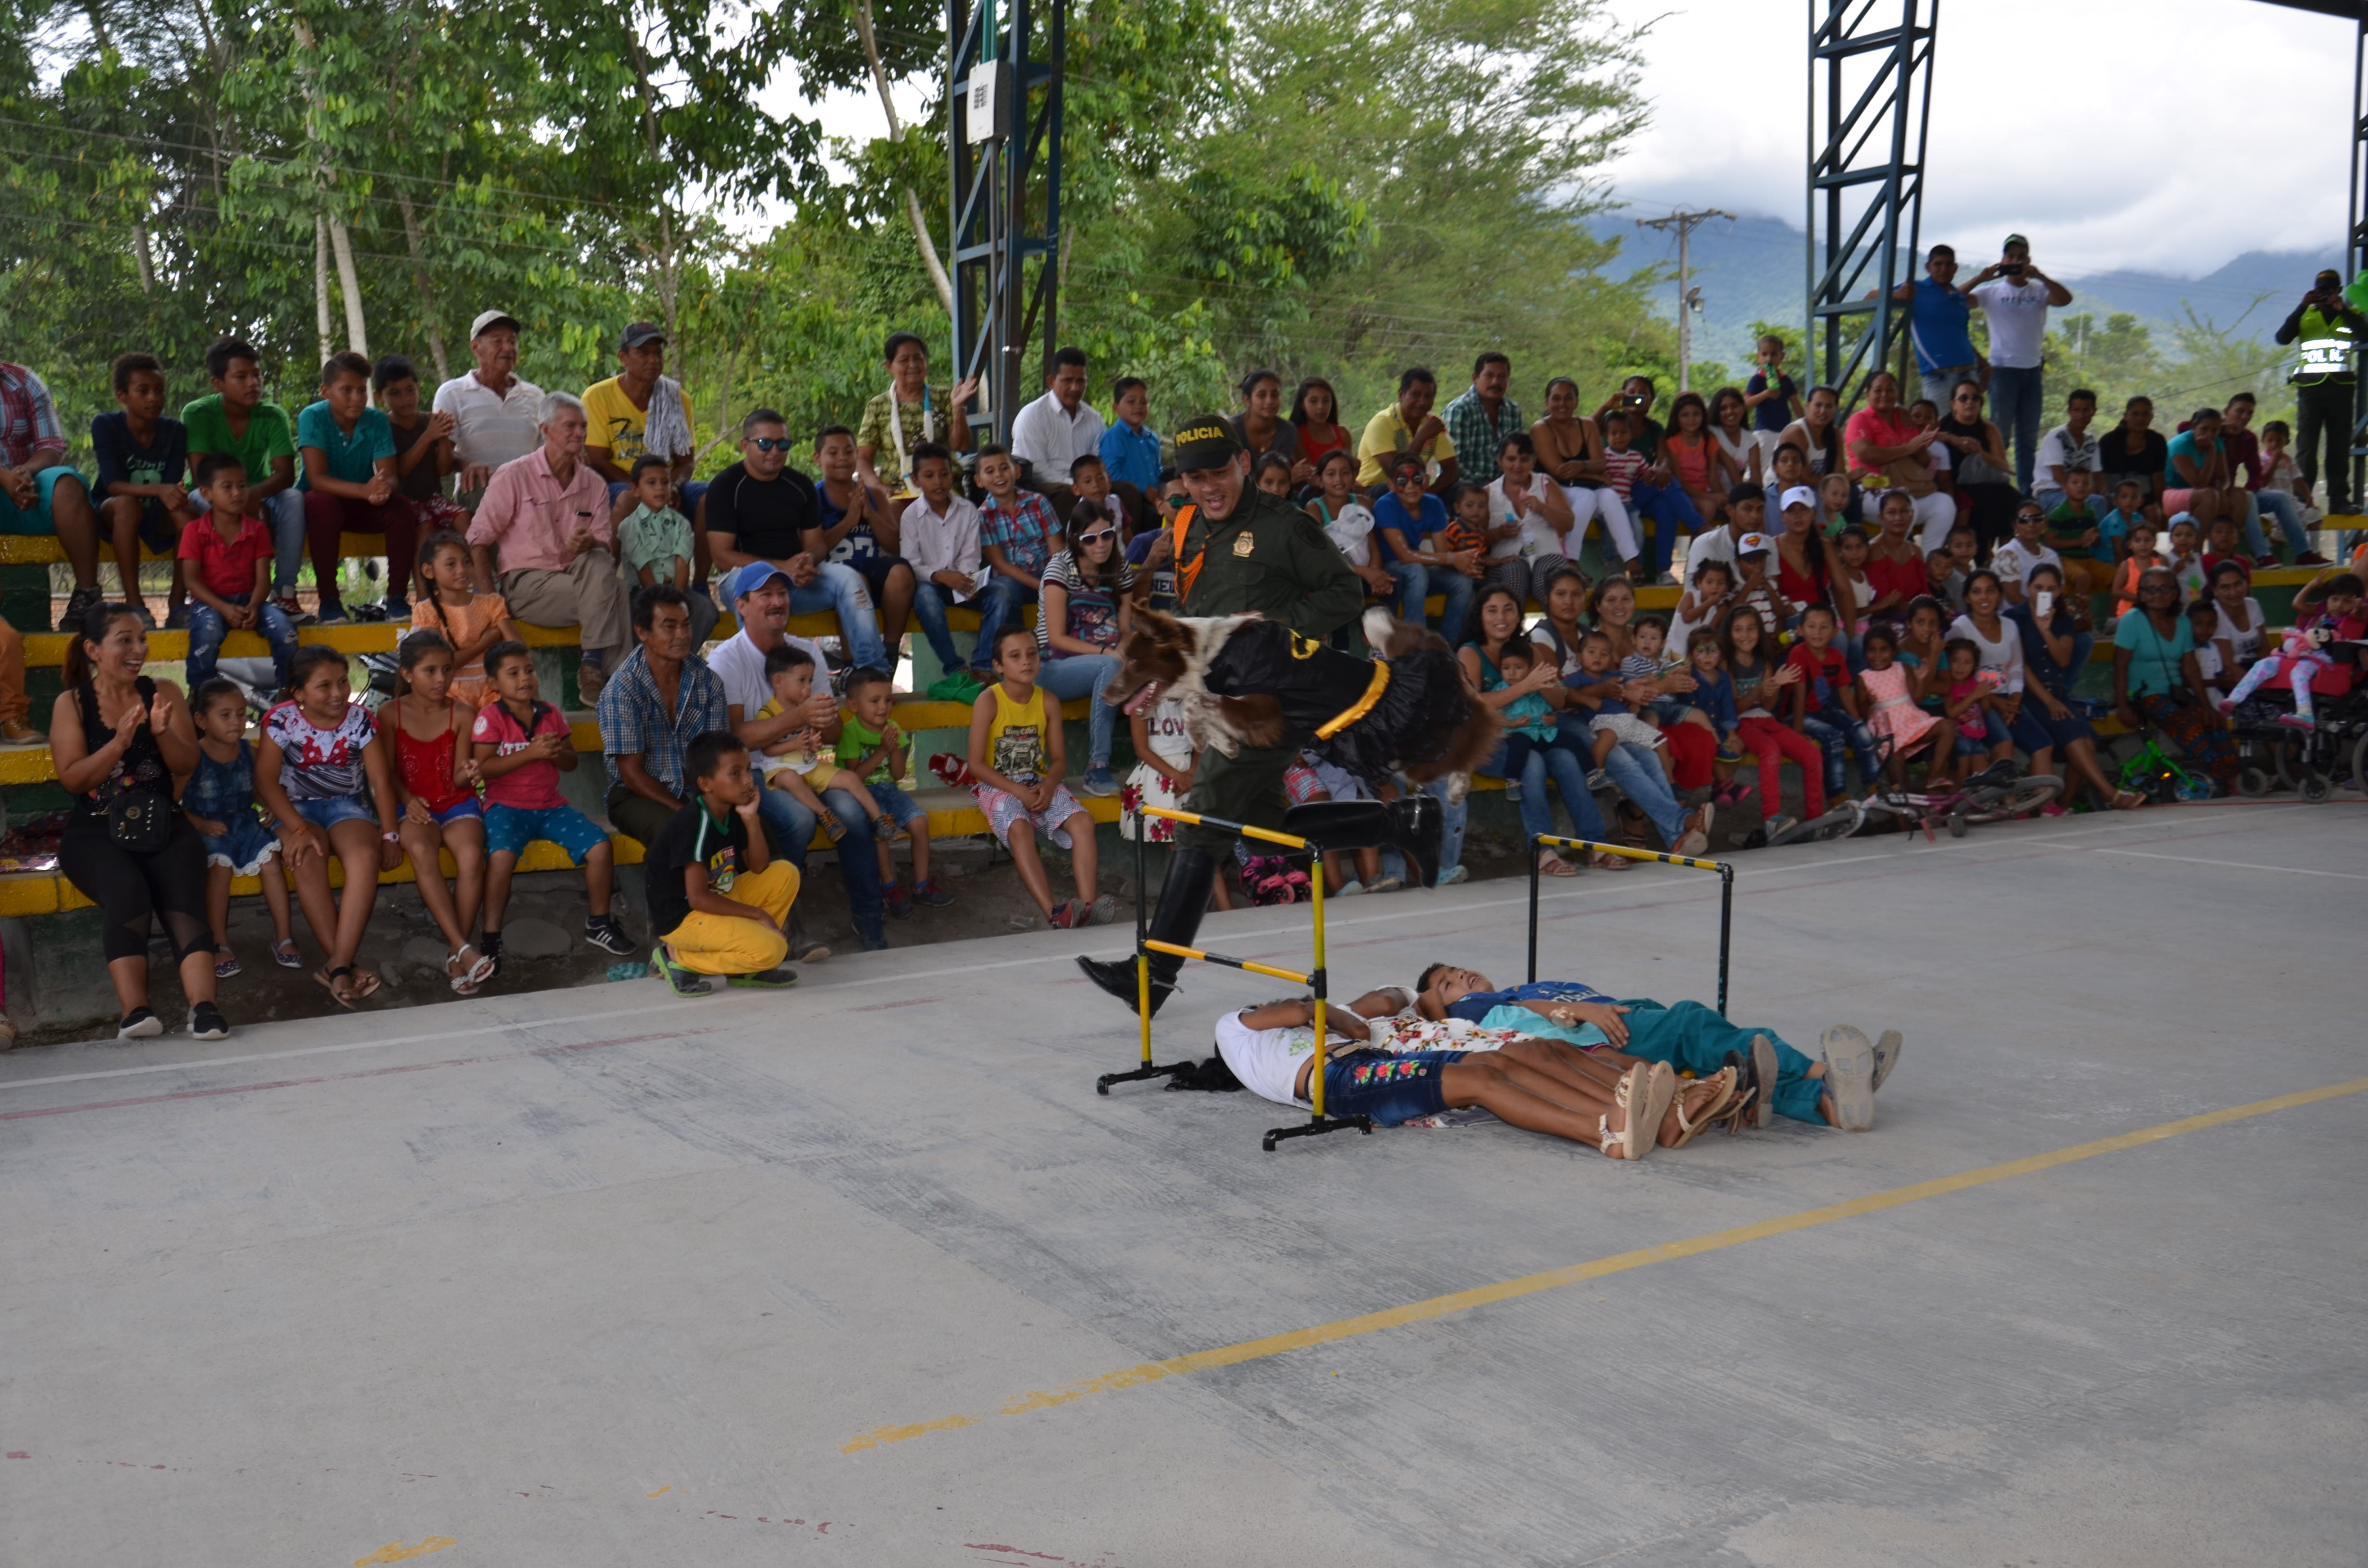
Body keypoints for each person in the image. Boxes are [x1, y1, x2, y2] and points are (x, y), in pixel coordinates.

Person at [1074, 414, 1363, 1015]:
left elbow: (1344, 594)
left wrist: (1272, 637)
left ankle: (1151, 976)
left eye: (1219, 473)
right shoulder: (1188, 527)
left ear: (1245, 465)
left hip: (1265, 701)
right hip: (1212, 699)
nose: (1208, 487)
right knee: (1261, 819)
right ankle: (1389, 824)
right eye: (1194, 478)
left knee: (1201, 818)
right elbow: (1197, 612)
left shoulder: (1285, 527)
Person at [1414, 965, 1899, 1133]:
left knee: (1727, 1058)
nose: (1460, 980)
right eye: (1448, 983)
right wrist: (1578, 1012)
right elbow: (1421, 1002)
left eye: (1458, 971)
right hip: (1606, 1037)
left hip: (1623, 1018)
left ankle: (1827, 1104)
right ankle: (1822, 1073)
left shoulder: (1522, 986)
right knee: (1693, 1022)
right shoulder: (1479, 1007)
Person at [1211, 988, 1683, 1157]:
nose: (1267, 1004)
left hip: (1365, 1063)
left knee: (1493, 1063)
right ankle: (1603, 1132)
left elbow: (1366, 1015)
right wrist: (1319, 1011)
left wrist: (1331, 1015)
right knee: (1481, 1082)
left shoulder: (1283, 1041)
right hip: (1340, 1083)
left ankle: (1618, 1111)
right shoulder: (1231, 1027)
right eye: (1261, 1004)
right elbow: (1298, 1008)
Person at [48, 603, 226, 1039]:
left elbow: (186, 765)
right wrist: (119, 743)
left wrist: (162, 732)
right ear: (93, 649)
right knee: (128, 891)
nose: (138, 649)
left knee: (183, 894)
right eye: (124, 641)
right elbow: (73, 779)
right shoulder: (71, 703)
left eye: (142, 639)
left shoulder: (163, 691)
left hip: (163, 824)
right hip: (95, 830)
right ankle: (136, 1012)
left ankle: (204, 1008)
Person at [709, 560, 884, 954]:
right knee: (799, 819)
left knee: (854, 813)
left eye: (783, 593)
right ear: (742, 605)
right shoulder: (726, 659)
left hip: (805, 764)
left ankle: (870, 916)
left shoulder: (808, 652)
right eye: (766, 595)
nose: (777, 602)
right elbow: (734, 737)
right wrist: (800, 716)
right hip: (753, 771)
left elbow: (834, 734)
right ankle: (779, 916)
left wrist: (826, 720)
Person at [254, 644, 404, 1007]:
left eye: (343, 682)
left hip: (345, 806)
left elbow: (380, 783)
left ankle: (336, 966)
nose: (338, 693)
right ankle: (344, 968)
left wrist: (390, 835)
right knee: (306, 855)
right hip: (294, 810)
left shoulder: (361, 720)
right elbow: (266, 781)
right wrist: (298, 829)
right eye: (325, 686)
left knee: (366, 858)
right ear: (299, 693)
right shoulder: (279, 721)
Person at [469, 639, 631, 969]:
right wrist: (528, 754)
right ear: (494, 684)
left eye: (529, 671)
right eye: (513, 673)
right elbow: (483, 768)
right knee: (500, 859)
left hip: (551, 806)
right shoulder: (491, 718)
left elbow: (570, 762)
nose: (525, 678)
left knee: (600, 846)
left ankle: (598, 924)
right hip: (505, 807)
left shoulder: (550, 714)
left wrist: (557, 753)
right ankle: (491, 938)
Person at [465, 391, 632, 704]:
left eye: (583, 427)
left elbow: (606, 549)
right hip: (528, 585)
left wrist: (590, 541)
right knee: (617, 591)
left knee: (600, 561)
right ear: (545, 430)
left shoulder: (593, 483)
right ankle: (614, 677)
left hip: (578, 577)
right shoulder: (515, 475)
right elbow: (477, 541)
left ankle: (596, 669)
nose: (580, 434)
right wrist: (491, 606)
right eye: (570, 426)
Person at [702, 407, 888, 672]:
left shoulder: (799, 485)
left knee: (851, 581)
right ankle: (761, 676)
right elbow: (722, 556)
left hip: (797, 581)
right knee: (756, 594)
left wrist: (806, 562)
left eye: (783, 444)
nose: (775, 452)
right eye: (765, 444)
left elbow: (816, 545)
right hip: (741, 580)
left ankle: (872, 673)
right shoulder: (726, 485)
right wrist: (781, 568)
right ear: (745, 445)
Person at [965, 626, 1111, 929]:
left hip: (1038, 782)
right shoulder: (988, 701)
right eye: (1015, 656)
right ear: (998, 666)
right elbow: (976, 766)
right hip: (997, 784)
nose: (1026, 662)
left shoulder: (1048, 701)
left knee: (1083, 822)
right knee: (1019, 828)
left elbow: (1058, 761)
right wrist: (1018, 792)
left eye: (1032, 654)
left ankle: (1086, 908)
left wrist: (1048, 784)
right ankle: (1055, 913)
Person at [1463, 587, 1611, 876]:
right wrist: (1527, 685)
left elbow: (1558, 699)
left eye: (1508, 609)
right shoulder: (1470, 653)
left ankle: (1596, 844)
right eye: (1492, 610)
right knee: (1532, 763)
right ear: (1479, 616)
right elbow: (1477, 706)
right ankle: (1544, 850)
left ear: (1519, 615)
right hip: (1488, 744)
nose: (1501, 617)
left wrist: (1549, 692)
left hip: (1534, 735)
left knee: (1568, 760)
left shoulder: (1531, 650)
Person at [379, 630, 496, 993]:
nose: (441, 679)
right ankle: (463, 947)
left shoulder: (461, 713)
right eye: (430, 671)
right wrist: (407, 798)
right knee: (422, 850)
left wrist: (472, 771)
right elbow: (386, 772)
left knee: (472, 854)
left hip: (456, 802)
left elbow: (461, 778)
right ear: (407, 674)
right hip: (413, 806)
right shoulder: (388, 714)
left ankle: (455, 951)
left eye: (447, 670)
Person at [643, 731, 802, 996]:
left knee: (784, 873)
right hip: (684, 918)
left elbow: (759, 867)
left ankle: (746, 968)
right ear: (706, 784)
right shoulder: (694, 823)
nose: (748, 780)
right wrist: (758, 915)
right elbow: (697, 899)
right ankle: (678, 959)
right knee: (773, 950)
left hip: (718, 897)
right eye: (735, 773)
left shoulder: (732, 810)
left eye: (749, 770)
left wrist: (751, 818)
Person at [181, 338, 305, 632]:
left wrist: (254, 494)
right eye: (241, 377)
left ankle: (285, 592)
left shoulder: (272, 414)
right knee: (201, 501)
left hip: (260, 491)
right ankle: (210, 595)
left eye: (257, 375)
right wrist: (241, 498)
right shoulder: (197, 413)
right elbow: (200, 476)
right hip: (208, 493)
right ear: (217, 383)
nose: (253, 383)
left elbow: (285, 474)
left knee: (293, 499)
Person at [182, 676, 298, 979]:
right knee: (219, 869)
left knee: (272, 862)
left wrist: (269, 806)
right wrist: (200, 823)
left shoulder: (251, 751)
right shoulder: (193, 756)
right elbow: (174, 801)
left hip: (246, 824)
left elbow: (260, 790)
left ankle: (283, 937)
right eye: (225, 715)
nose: (236, 722)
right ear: (201, 720)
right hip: (208, 829)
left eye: (242, 714)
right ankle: (219, 942)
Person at [597, 582, 727, 852]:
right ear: (643, 632)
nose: (682, 635)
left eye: (686, 625)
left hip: (697, 788)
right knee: (677, 833)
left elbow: (716, 757)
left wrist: (713, 803)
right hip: (637, 795)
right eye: (669, 626)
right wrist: (685, 811)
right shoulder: (623, 688)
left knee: (753, 826)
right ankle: (672, 896)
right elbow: (631, 775)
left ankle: (745, 893)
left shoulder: (707, 681)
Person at [2005, 563, 2140, 808]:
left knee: (2087, 742)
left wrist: (2046, 631)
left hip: (2057, 691)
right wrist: (2049, 701)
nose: (2043, 593)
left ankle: (2064, 807)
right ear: (2028, 588)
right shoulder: (2014, 619)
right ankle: (2112, 796)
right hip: (2029, 694)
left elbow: (2064, 659)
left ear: (2059, 592)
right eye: (2038, 587)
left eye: (2051, 589)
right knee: (2079, 740)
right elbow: (2020, 666)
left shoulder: (2063, 619)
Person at [751, 642, 899, 845]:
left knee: (850, 779)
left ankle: (880, 821)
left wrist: (813, 743)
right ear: (778, 682)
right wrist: (794, 745)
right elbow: (767, 750)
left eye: (810, 681)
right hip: (780, 769)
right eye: (802, 681)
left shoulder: (807, 708)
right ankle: (826, 816)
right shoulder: (768, 713)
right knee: (792, 779)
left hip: (809, 766)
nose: (808, 687)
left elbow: (813, 740)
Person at [295, 351, 403, 625]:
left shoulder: (376, 420)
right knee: (323, 503)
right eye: (347, 390)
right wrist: (365, 491)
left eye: (361, 390)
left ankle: (397, 599)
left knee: (402, 508)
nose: (356, 398)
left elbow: (389, 475)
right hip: (321, 504)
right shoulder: (313, 417)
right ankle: (330, 602)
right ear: (325, 391)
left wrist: (384, 488)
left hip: (361, 504)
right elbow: (317, 478)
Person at [1034, 499, 1133, 796]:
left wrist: (1124, 652)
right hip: (1053, 666)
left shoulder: (1121, 568)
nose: (1100, 544)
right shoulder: (1061, 566)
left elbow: (1126, 629)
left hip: (1107, 661)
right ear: (1077, 539)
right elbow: (1055, 638)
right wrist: (1109, 655)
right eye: (1090, 538)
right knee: (1111, 667)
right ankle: (1097, 766)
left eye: (1107, 535)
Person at [90, 352, 194, 628]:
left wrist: (168, 494)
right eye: (143, 391)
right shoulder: (106, 425)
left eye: (159, 391)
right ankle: (135, 604)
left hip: (156, 510)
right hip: (113, 510)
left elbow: (172, 485)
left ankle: (177, 605)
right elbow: (112, 483)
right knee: (127, 505)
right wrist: (161, 489)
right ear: (122, 395)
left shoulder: (174, 431)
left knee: (186, 514)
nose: (153, 398)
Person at [2, 357, 106, 632]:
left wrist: (25, 473)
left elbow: (53, 446)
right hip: (7, 485)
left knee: (67, 483)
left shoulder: (25, 381)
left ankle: (87, 595)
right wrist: (4, 478)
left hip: (27, 492)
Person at [178, 455, 298, 694]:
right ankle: (201, 693)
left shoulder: (257, 529)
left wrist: (254, 606)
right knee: (207, 633)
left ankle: (289, 691)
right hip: (210, 603)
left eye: (242, 486)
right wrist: (223, 608)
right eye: (227, 487)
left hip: (250, 601)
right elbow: (190, 580)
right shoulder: (194, 530)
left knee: (285, 630)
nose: (237, 493)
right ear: (206, 493)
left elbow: (264, 580)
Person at [1963, 234, 2072, 493]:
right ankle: (1995, 485)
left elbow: (2065, 299)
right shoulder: (1991, 292)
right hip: (2002, 370)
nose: (2015, 261)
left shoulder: (2040, 291)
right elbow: (1955, 299)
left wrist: (2041, 276)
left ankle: (2025, 492)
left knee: (2028, 438)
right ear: (2002, 260)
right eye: (2010, 256)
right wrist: (1981, 277)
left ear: (2028, 260)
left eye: (2020, 257)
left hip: (2032, 371)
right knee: (1999, 434)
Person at [836, 666, 948, 915]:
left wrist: (895, 748)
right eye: (874, 701)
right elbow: (855, 777)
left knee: (920, 822)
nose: (883, 707)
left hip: (889, 790)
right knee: (882, 831)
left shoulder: (892, 727)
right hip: (862, 794)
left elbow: (898, 774)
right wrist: (882, 751)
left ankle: (922, 884)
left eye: (888, 700)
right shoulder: (850, 732)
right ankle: (890, 886)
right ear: (853, 706)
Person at [2112, 566, 2236, 791]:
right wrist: (2123, 706)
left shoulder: (2183, 623)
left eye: (2164, 589)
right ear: (2141, 594)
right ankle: (2224, 779)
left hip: (2176, 693)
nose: (2157, 595)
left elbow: (2191, 667)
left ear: (2175, 593)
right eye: (2150, 590)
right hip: (2144, 694)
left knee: (2215, 723)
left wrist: (2207, 706)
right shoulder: (2132, 620)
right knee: (2189, 727)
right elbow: (2120, 667)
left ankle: (2236, 776)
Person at [374, 354, 468, 617]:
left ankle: (474, 587)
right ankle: (425, 599)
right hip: (405, 501)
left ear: (418, 388)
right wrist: (428, 438)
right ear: (381, 397)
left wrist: (445, 441)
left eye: (410, 390)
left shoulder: (431, 421)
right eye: (395, 393)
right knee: (424, 525)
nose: (405, 399)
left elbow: (443, 468)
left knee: (464, 518)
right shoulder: (384, 427)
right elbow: (399, 470)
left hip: (433, 495)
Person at [581, 322, 703, 524]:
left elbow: (686, 462)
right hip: (620, 484)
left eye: (658, 353)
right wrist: (643, 490)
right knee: (628, 500)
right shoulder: (597, 396)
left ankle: (702, 557)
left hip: (666, 483)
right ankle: (613, 557)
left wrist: (670, 487)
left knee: (707, 499)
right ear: (623, 358)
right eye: (643, 353)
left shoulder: (679, 399)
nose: (653, 360)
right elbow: (598, 461)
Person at [2272, 266, 2368, 520]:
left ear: (2338, 291)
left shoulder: (2351, 314)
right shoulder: (2306, 315)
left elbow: (2365, 335)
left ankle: (2339, 501)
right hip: (2310, 392)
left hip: (2341, 390)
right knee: (2307, 448)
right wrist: (2302, 307)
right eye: (2320, 290)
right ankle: (2303, 501)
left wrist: (2343, 310)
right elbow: (2282, 338)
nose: (2325, 295)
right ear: (2314, 292)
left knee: (2338, 448)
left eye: (2330, 290)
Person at [812, 423, 916, 653]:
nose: (842, 458)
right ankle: (853, 662)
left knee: (900, 572)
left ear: (857, 456)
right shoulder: (813, 497)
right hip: (833, 579)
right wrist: (849, 521)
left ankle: (890, 651)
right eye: (833, 453)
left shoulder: (874, 494)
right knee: (855, 580)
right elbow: (813, 550)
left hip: (873, 572)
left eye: (849, 452)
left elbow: (896, 548)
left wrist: (870, 514)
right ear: (818, 459)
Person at [898, 441, 989, 700]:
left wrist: (967, 581)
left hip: (962, 583)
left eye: (944, 474)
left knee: (1003, 594)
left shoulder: (968, 510)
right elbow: (911, 563)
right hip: (933, 586)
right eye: (929, 476)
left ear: (953, 475)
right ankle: (955, 667)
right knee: (925, 598)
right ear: (916, 479)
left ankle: (983, 666)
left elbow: (971, 556)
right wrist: (941, 576)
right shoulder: (910, 516)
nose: (938, 482)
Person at [432, 309, 546, 509]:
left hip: (530, 496)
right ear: (476, 348)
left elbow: (549, 451)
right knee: (482, 487)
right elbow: (442, 456)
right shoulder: (451, 393)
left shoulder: (535, 396)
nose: (508, 348)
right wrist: (468, 463)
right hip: (480, 494)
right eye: (497, 341)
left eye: (512, 342)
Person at [853, 330, 977, 505]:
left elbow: (962, 445)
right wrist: (879, 488)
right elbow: (862, 459)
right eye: (904, 360)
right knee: (893, 512)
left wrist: (958, 408)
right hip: (897, 491)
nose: (913, 365)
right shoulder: (878, 406)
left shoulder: (944, 397)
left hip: (943, 487)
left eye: (918, 358)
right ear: (889, 367)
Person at [1530, 376, 1637, 576]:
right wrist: (1595, 476)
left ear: (1576, 402)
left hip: (1579, 490)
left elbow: (1601, 463)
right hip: (1552, 491)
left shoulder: (1587, 425)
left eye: (1568, 398)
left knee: (1610, 496)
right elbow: (1559, 471)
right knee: (1587, 496)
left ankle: (1631, 559)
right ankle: (1569, 558)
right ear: (1547, 403)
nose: (1562, 404)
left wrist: (1582, 466)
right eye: (1556, 399)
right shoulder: (1540, 428)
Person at [1724, 609, 1813, 840]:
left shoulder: (1764, 663)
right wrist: (1759, 689)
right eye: (1738, 629)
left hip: (1766, 720)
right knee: (1770, 751)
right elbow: (1733, 709)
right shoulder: (1726, 666)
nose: (1746, 635)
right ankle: (1772, 818)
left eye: (1751, 628)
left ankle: (1816, 820)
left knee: (1812, 754)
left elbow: (1769, 704)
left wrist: (1775, 686)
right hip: (1741, 724)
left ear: (1760, 632)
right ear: (1729, 633)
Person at [1373, 451, 1477, 645]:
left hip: (1415, 570)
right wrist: (1454, 559)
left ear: (1427, 480)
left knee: (1462, 582)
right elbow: (1404, 556)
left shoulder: (1434, 504)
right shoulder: (1385, 505)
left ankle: (1447, 646)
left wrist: (1466, 564)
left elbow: (1442, 554)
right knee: (1416, 571)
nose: (1411, 486)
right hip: (1389, 572)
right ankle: (1417, 646)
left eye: (1417, 479)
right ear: (1392, 485)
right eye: (1403, 481)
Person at [617, 454, 718, 647]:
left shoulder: (681, 524)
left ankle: (680, 660)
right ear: (636, 490)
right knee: (636, 616)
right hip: (642, 592)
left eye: (665, 482)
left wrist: (676, 599)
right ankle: (646, 664)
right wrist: (661, 602)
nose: (659, 488)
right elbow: (643, 568)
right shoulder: (628, 527)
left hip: (678, 589)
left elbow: (682, 564)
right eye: (651, 483)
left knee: (706, 610)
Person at [1844, 370, 1953, 550]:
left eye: (1890, 390)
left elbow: (1924, 462)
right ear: (1867, 395)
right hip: (1870, 489)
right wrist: (1907, 448)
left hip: (1906, 486)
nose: (1884, 395)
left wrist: (1922, 441)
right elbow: (1865, 454)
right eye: (1878, 390)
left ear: (1897, 394)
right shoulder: (1860, 419)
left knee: (1945, 505)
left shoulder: (1903, 418)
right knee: (1903, 506)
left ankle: (1927, 564)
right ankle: (1898, 560)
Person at [413, 529, 517, 710]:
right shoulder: (426, 610)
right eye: (451, 564)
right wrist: (487, 641)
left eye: (467, 562)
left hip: (492, 689)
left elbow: (518, 648)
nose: (462, 569)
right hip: (448, 693)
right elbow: (443, 664)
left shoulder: (492, 603)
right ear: (429, 571)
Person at [1787, 604, 1880, 800]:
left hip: (1826, 712)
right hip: (1800, 715)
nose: (1817, 632)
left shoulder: (1836, 656)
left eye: (1824, 627)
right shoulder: (1798, 653)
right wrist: (1797, 732)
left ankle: (1875, 784)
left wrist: (1856, 721)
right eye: (1811, 627)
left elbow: (1845, 693)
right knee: (1834, 738)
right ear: (1801, 630)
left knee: (1862, 732)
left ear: (1835, 632)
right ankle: (1837, 794)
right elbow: (1799, 695)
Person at [1480, 432, 1574, 607]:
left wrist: (1543, 509)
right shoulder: (1488, 493)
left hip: (1547, 554)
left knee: (1546, 584)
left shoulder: (1546, 484)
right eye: (1511, 459)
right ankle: (1512, 633)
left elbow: (1569, 523)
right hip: (1505, 560)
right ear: (1500, 461)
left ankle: (1557, 633)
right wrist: (1498, 534)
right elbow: (1478, 539)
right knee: (1515, 577)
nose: (1518, 465)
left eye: (1524, 459)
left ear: (1533, 461)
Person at [1010, 346, 1105, 517]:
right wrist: (1076, 485)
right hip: (1046, 488)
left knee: (1126, 490)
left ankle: (1125, 543)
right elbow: (1035, 469)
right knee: (1067, 493)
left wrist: (1091, 484)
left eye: (1081, 381)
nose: (1075, 388)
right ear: (1051, 381)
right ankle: (1063, 545)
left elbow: (1099, 460)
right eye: (1067, 381)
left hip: (1086, 485)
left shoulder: (1095, 418)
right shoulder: (1032, 415)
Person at [1934, 379, 2019, 561]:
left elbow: (2005, 468)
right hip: (1951, 484)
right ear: (1953, 404)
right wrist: (1951, 439)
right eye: (1963, 398)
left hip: (1985, 485)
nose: (1969, 402)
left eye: (1975, 398)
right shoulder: (1942, 425)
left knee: (2012, 496)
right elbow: (1921, 437)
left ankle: (2005, 556)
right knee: (1981, 499)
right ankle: (1984, 554)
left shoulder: (1988, 428)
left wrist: (1981, 452)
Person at [1893, 243, 1981, 407]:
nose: (1944, 269)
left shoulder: (1958, 296)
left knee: (1970, 429)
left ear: (1955, 268)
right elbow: (1870, 297)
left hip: (1969, 373)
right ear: (1928, 267)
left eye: (1949, 264)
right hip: (1938, 376)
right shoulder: (1916, 289)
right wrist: (1897, 294)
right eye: (1938, 264)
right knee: (1939, 429)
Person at [1356, 367, 1458, 492]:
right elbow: (1397, 474)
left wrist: (1429, 494)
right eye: (1416, 395)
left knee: (1460, 489)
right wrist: (1421, 438)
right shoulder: (1382, 423)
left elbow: (1452, 469)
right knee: (1390, 490)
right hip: (1377, 489)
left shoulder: (1432, 423)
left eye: (1429, 396)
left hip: (1414, 490)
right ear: (1401, 395)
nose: (1422, 402)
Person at [2163, 407, 2250, 539]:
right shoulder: (2180, 445)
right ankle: (2198, 552)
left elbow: (2224, 478)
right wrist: (2211, 451)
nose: (2209, 435)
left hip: (2201, 493)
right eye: (2205, 429)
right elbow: (2199, 484)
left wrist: (2221, 491)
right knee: (2208, 496)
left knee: (2240, 495)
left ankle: (2226, 546)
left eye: (2215, 431)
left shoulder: (2217, 442)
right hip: (2170, 493)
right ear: (2194, 426)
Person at [1441, 352, 1524, 488]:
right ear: (1475, 378)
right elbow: (1453, 464)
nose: (1495, 382)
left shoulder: (1513, 411)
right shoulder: (1459, 410)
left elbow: (1519, 455)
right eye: (1489, 376)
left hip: (1505, 487)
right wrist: (1487, 485)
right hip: (1465, 488)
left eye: (1502, 377)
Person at [1097, 376, 1162, 530]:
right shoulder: (1114, 436)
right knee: (1154, 518)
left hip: (1156, 497)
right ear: (1116, 407)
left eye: (1144, 402)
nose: (1138, 407)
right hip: (1133, 500)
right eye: (1131, 402)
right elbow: (1111, 473)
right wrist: (1144, 489)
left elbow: (1159, 470)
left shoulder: (1152, 438)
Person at [1229, 368, 1310, 488]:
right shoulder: (1231, 430)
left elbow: (1279, 475)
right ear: (1247, 400)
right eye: (1262, 395)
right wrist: (1287, 477)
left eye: (1275, 395)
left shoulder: (1288, 431)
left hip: (1274, 497)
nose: (1270, 401)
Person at [2096, 396, 2168, 524]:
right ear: (2126, 416)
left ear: (2151, 417)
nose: (2140, 419)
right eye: (2135, 414)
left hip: (2143, 495)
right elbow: (2099, 476)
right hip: (2114, 494)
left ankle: (2147, 543)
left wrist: (2160, 506)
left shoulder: (2157, 441)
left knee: (2153, 512)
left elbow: (2158, 479)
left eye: (2145, 414)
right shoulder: (2109, 441)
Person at [2035, 388, 2104, 517]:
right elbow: (2058, 476)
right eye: (2077, 411)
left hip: (2080, 492)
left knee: (2113, 502)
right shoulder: (2056, 437)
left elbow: (2097, 476)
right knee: (2096, 503)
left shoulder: (2091, 442)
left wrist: (2101, 490)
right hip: (2051, 492)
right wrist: (2086, 493)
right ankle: (2096, 537)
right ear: (2069, 412)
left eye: (2086, 410)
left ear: (2094, 411)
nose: (2081, 416)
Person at [1990, 501, 2065, 609]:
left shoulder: (2052, 555)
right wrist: (2042, 611)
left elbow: (2059, 592)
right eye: (2024, 520)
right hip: (2015, 620)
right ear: (2015, 526)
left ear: (2045, 523)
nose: (2031, 524)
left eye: (2037, 518)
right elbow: (2013, 597)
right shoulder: (2007, 554)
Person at [1742, 334, 1803, 460]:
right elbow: (1746, 404)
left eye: (1774, 354)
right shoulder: (1757, 380)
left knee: (1783, 462)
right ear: (1758, 357)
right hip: (1764, 431)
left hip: (1784, 430)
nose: (1769, 359)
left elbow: (1796, 404)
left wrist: (1805, 425)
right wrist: (1766, 394)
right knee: (1761, 462)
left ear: (1782, 356)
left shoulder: (1786, 380)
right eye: (1764, 355)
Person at [1775, 383, 1846, 480]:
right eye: (1818, 405)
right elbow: (1805, 479)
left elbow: (1840, 472)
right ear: (1807, 406)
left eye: (1829, 406)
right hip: (1787, 490)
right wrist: (1849, 477)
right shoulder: (1796, 432)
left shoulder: (1835, 433)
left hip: (1821, 488)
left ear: (1836, 409)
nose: (1823, 411)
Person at [1289, 377, 1353, 474]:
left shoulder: (1343, 433)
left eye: (1326, 401)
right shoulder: (1295, 434)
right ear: (1302, 404)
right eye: (1313, 401)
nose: (1321, 407)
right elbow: (1312, 473)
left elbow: (1349, 470)